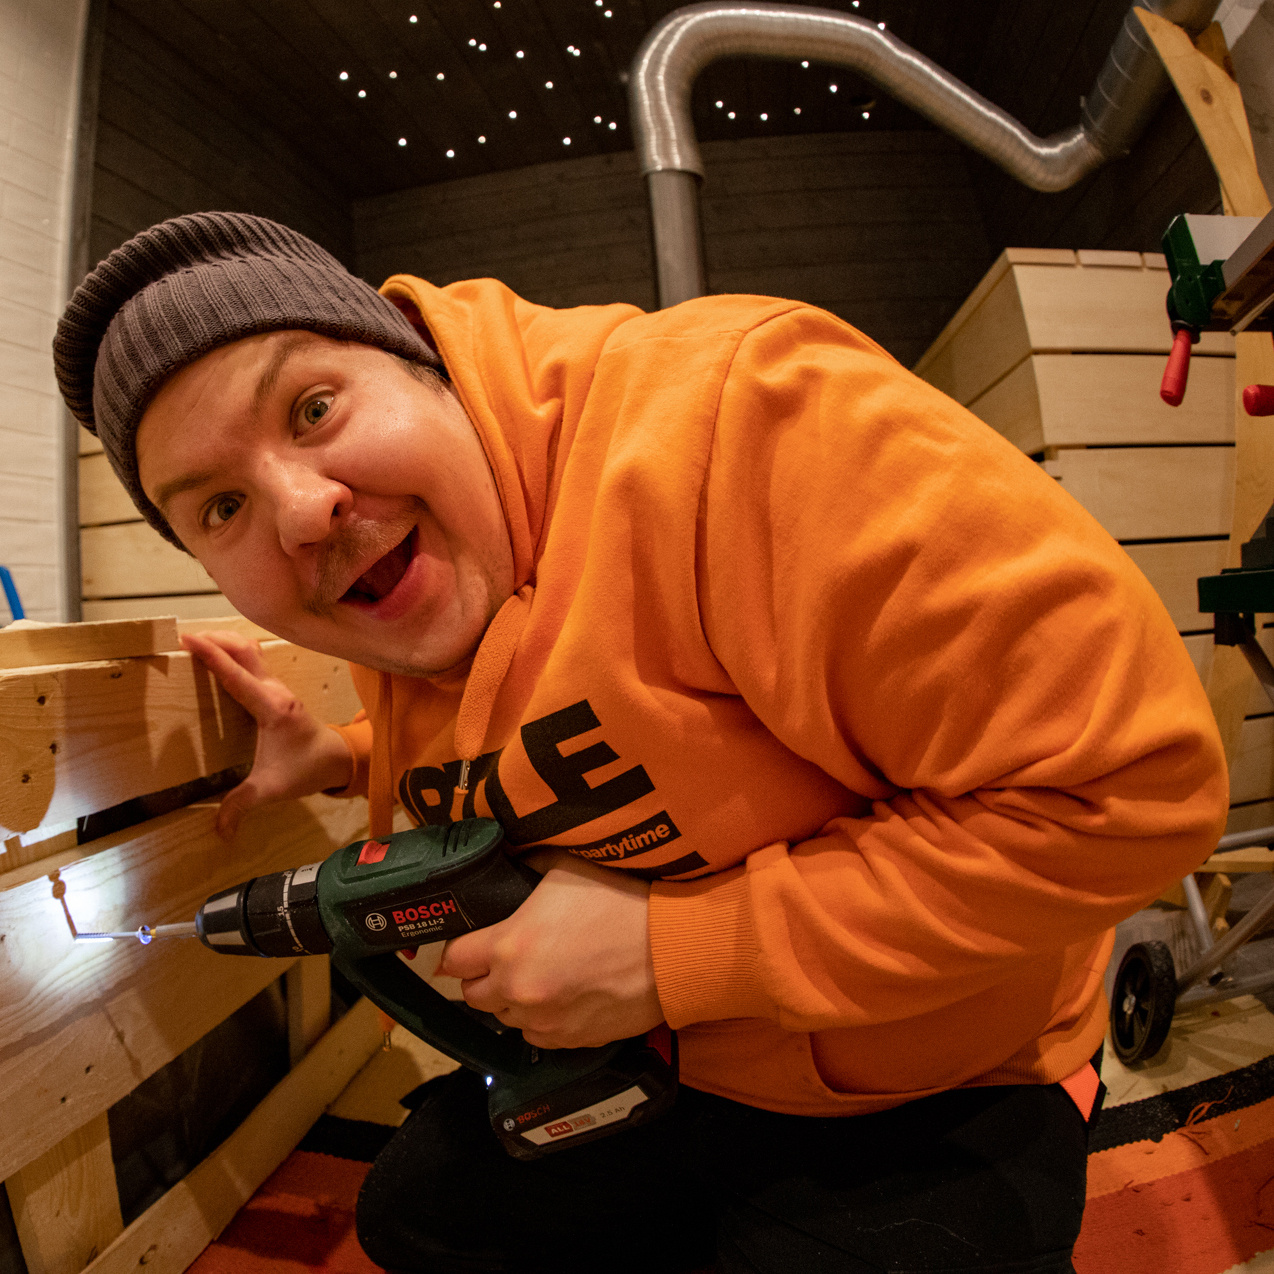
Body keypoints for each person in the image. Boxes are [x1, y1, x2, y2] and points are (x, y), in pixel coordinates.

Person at [55, 212, 1228, 1274]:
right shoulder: (419, 567)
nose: (303, 511)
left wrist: (675, 949)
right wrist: (348, 754)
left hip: (934, 1061)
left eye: (312, 408)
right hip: (671, 1062)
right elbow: (554, 739)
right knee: (416, 1215)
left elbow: (1131, 796)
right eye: (219, 507)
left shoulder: (751, 418)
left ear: (422, 362)